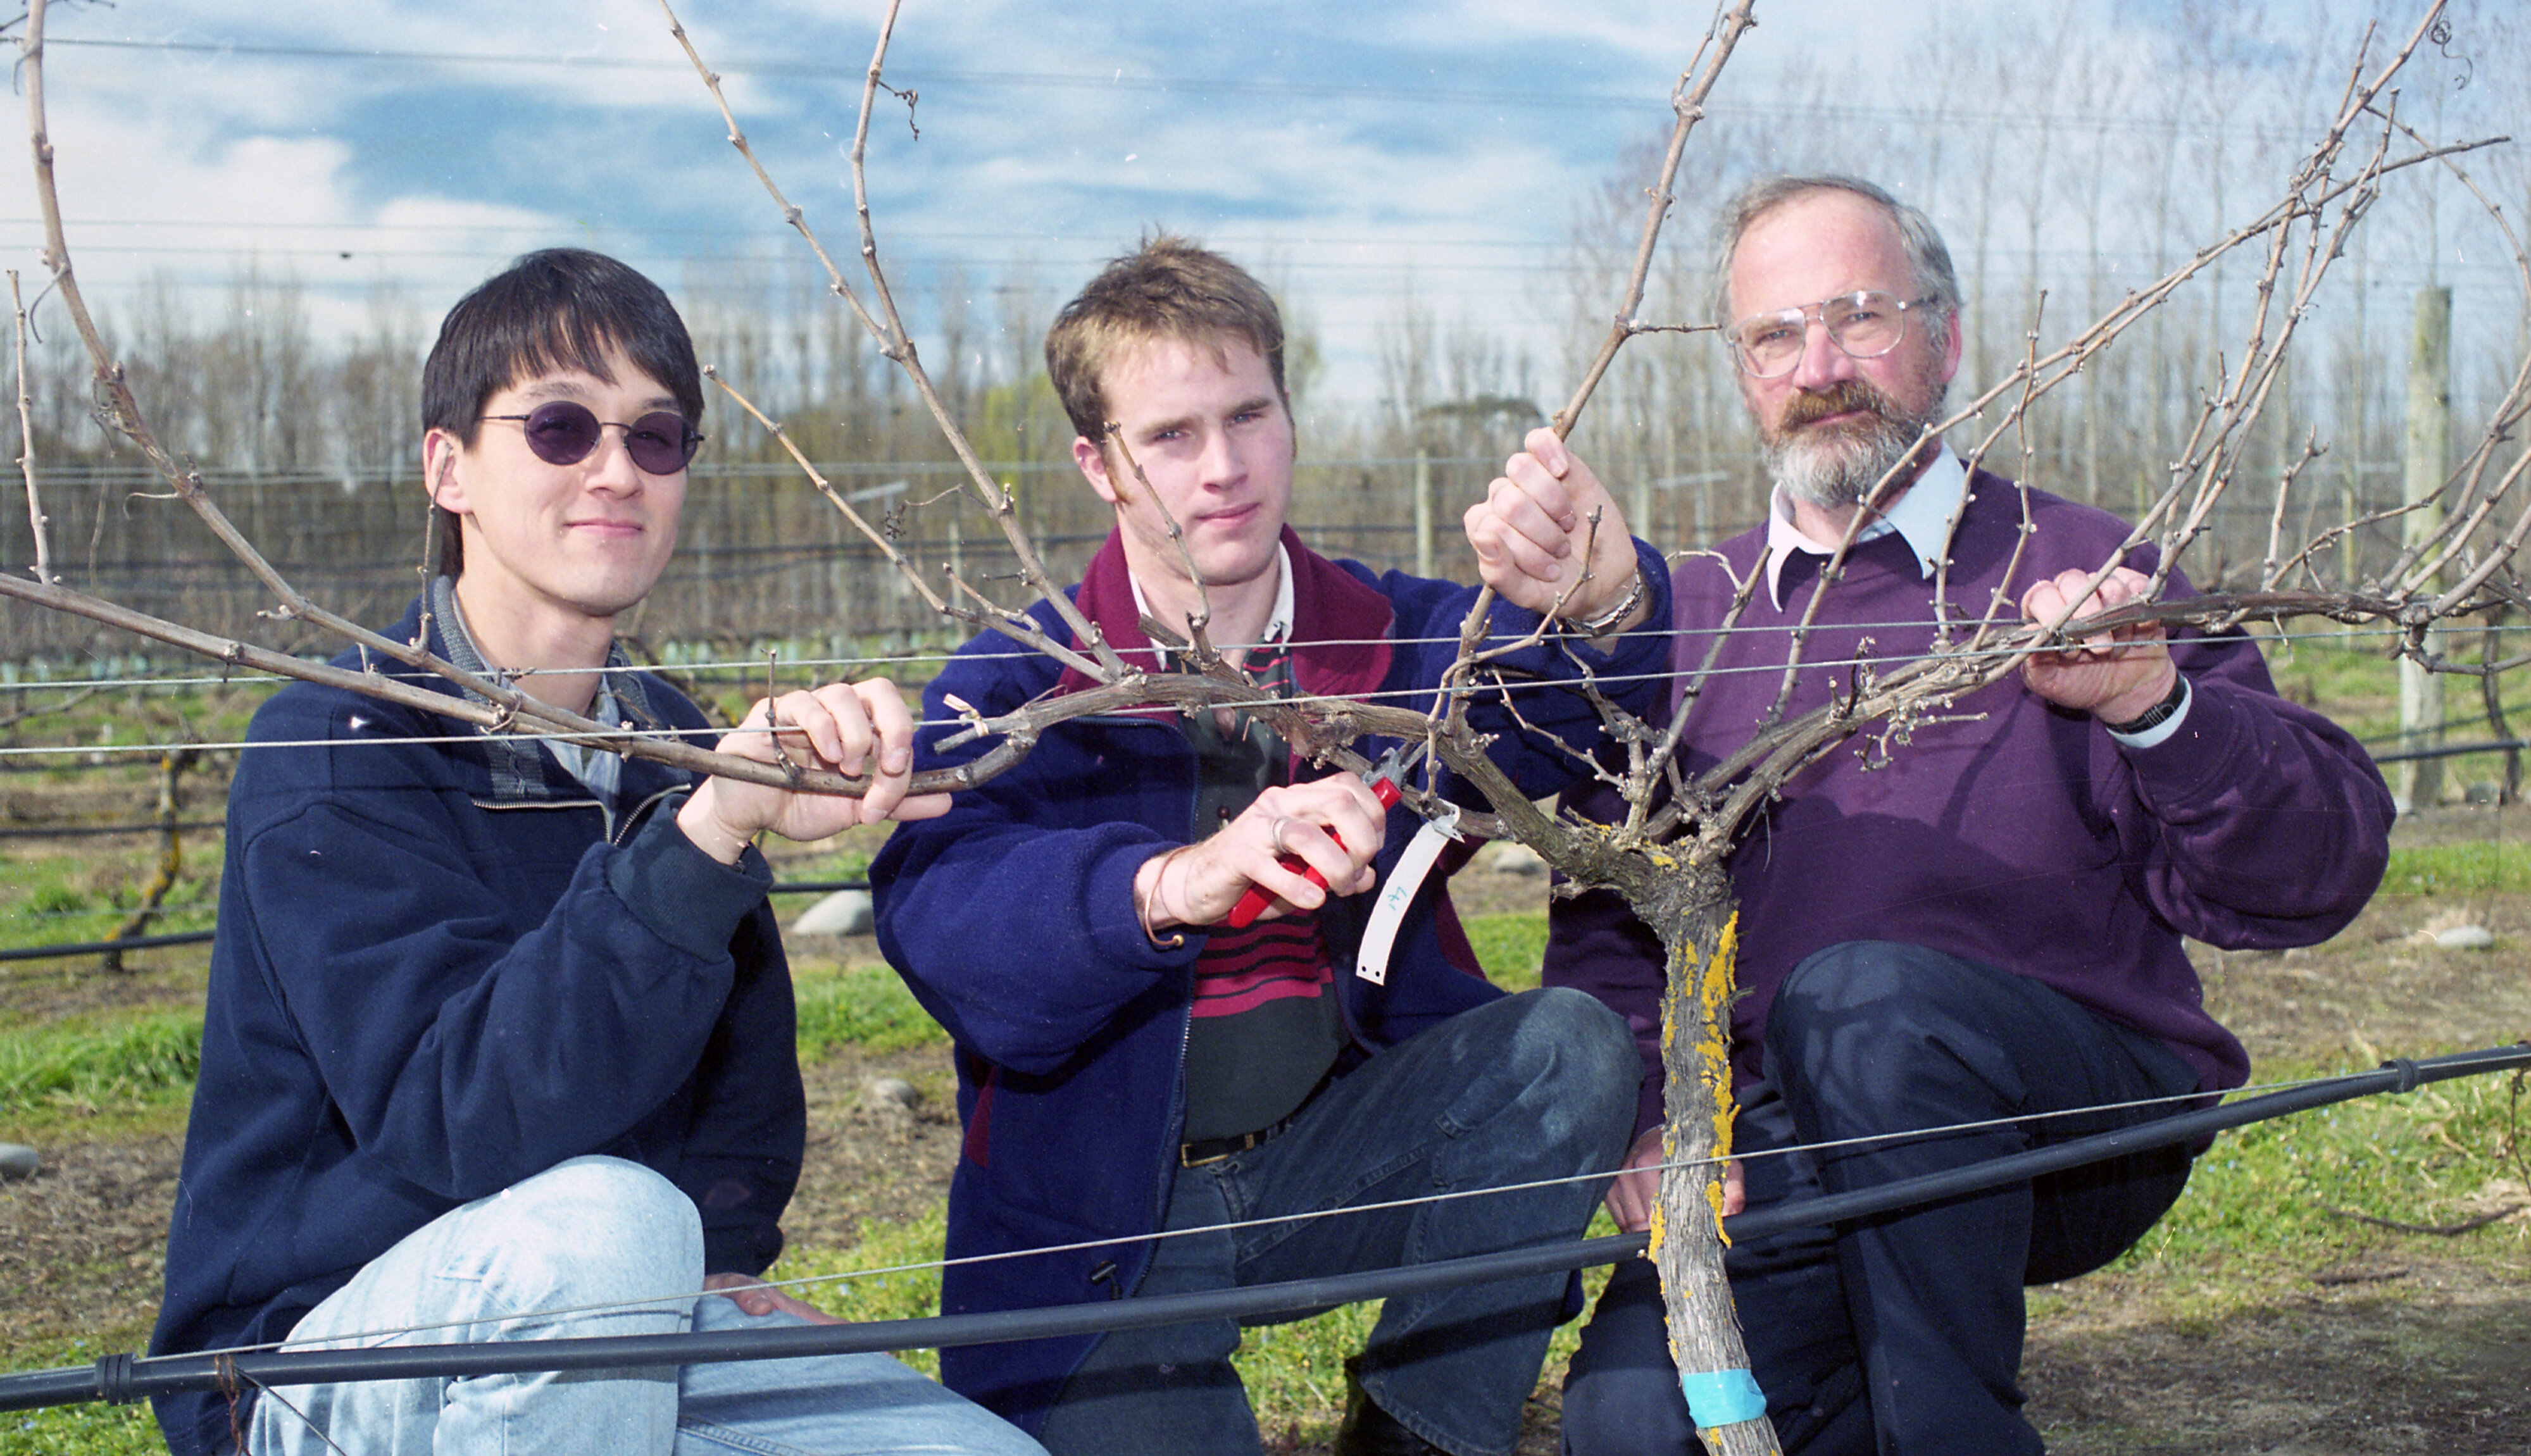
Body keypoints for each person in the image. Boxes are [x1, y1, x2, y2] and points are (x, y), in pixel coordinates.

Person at [1544, 176, 2396, 1455]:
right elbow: (1613, 910)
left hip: (2073, 1118)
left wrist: (2153, 703)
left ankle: (1952, 1428)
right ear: (1738, 370)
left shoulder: (2081, 574)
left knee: (1863, 1001)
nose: (1819, 364)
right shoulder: (1684, 612)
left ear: (1944, 338)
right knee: (1627, 1421)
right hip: (1780, 1130)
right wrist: (1646, 1114)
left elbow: (2310, 874)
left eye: (1859, 316)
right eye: (1776, 334)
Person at [149, 249, 1046, 1456]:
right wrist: (707, 836)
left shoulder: (671, 737)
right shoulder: (336, 739)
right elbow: (457, 1119)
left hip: (628, 1312)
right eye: (562, 428)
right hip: (318, 1354)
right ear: (448, 466)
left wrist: (726, 1264)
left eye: (658, 436)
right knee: (607, 1221)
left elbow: (742, 1088)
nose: (616, 470)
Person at [871, 234, 1665, 1456]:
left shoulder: (1400, 642)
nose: (1226, 469)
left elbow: (1575, 723)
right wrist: (1173, 884)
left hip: (1341, 1150)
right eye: (1172, 436)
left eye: (1251, 415)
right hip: (1110, 1223)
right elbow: (948, 920)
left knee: (1567, 1048)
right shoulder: (1023, 680)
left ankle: (1413, 1425)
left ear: (1291, 414)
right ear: (1099, 465)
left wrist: (1610, 602)